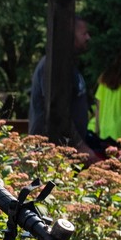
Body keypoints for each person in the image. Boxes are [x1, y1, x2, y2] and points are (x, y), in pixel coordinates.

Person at [28, 17, 94, 147]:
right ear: (70, 35)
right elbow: (57, 111)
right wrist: (81, 146)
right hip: (50, 154)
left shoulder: (68, 65)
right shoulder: (53, 65)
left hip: (68, 150)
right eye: (84, 33)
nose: (88, 38)